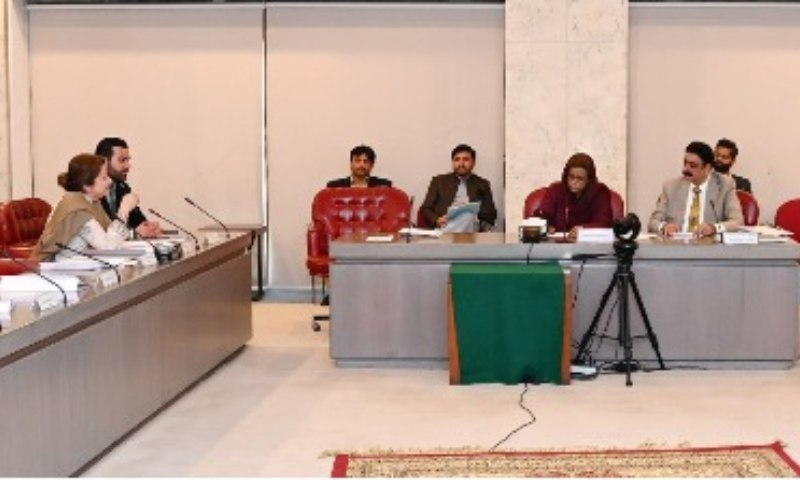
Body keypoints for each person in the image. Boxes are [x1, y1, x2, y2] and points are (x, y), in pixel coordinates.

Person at [31, 153, 139, 262]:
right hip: (64, 268)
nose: (110, 181)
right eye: (104, 178)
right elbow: (109, 248)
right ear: (87, 186)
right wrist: (124, 209)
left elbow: (110, 236)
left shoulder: (90, 201)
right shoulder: (77, 207)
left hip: (78, 264)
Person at [648, 141, 743, 237]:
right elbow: (653, 222)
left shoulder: (725, 185)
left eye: (693, 165)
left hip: (708, 244)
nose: (686, 169)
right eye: (685, 163)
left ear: (707, 168)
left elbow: (737, 222)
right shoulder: (671, 186)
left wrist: (714, 228)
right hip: (677, 243)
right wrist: (664, 226)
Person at [534, 152, 613, 240]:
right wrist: (545, 227)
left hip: (589, 244)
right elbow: (540, 217)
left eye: (580, 178)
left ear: (589, 180)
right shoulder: (556, 190)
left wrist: (583, 229)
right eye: (571, 177)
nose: (574, 182)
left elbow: (604, 223)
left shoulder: (600, 192)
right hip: (558, 244)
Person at [420, 144, 497, 232]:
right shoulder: (439, 181)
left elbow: (491, 213)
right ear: (453, 162)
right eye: (457, 159)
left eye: (466, 159)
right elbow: (426, 208)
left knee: (467, 216)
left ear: (473, 163)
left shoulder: (482, 184)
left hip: (471, 224)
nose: (461, 164)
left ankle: (447, 236)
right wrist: (437, 220)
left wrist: (475, 213)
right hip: (445, 223)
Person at [95, 137, 161, 238]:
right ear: (104, 161)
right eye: (122, 160)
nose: (128, 166)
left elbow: (138, 222)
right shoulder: (89, 192)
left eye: (128, 160)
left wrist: (148, 228)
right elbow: (101, 233)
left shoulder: (122, 188)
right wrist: (133, 232)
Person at [327, 145, 392, 188]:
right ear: (351, 164)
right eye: (357, 161)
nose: (361, 165)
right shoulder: (334, 187)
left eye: (366, 161)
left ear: (372, 165)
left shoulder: (384, 186)